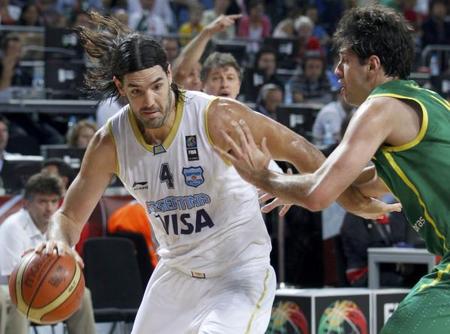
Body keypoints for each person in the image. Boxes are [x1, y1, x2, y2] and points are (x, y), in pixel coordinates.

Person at [37, 12, 399, 334]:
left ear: (169, 75)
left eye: (157, 87)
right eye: (136, 91)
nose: (149, 101)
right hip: (175, 275)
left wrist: (350, 198)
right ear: (121, 88)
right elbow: (69, 216)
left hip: (238, 273)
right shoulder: (110, 142)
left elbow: (298, 149)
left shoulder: (215, 115)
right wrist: (58, 239)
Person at [220, 5, 450, 334]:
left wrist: (265, 177)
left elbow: (319, 195)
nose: (337, 71)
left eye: (344, 60)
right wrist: (293, 183)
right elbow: (366, 182)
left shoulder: (380, 106)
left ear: (372, 65)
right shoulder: (429, 100)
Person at [0, 173, 96, 334]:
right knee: (21, 298)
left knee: (83, 295)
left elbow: (72, 269)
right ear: (26, 203)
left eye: (53, 201)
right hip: (8, 288)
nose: (49, 208)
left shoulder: (60, 229)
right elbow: (13, 280)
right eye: (42, 201)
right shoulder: (12, 227)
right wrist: (44, 292)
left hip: (43, 287)